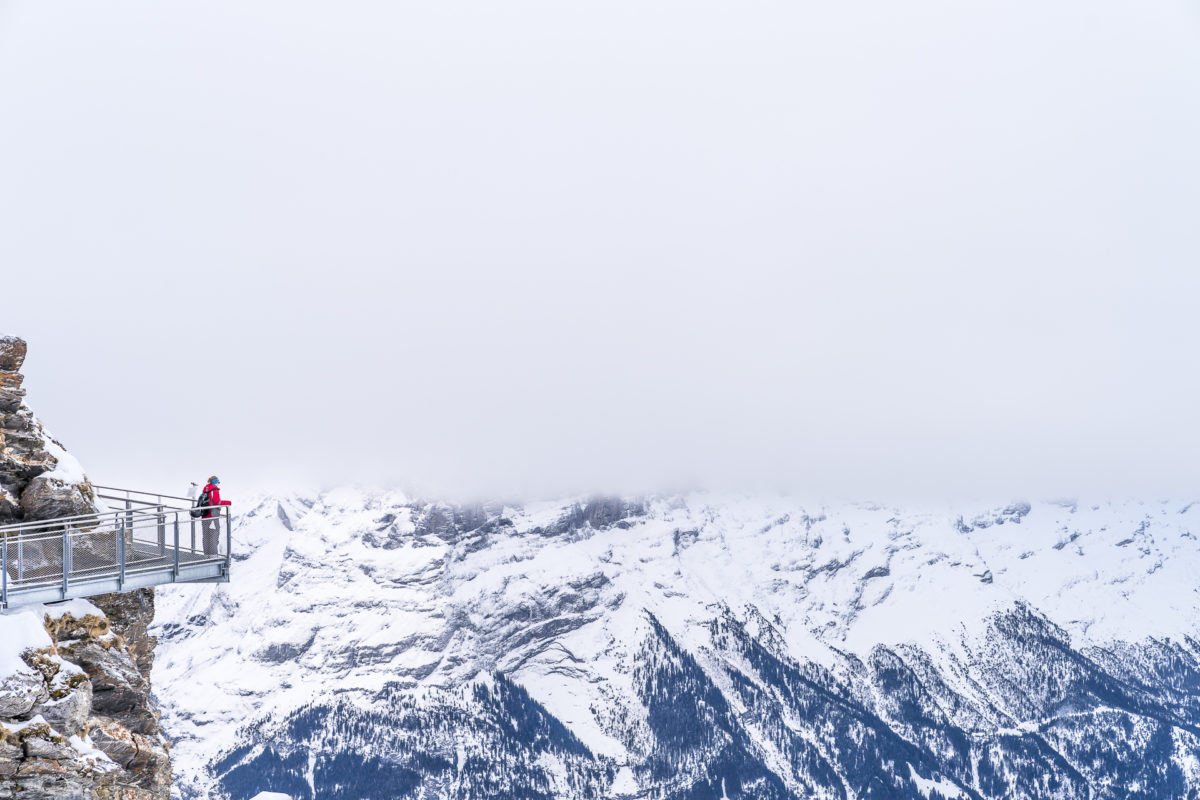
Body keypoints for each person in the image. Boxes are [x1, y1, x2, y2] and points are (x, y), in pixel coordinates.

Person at [201, 475, 231, 556]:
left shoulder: (205, 489)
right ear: (215, 482)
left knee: (206, 535)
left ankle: (206, 554)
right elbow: (217, 502)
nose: (219, 484)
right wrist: (228, 502)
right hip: (212, 516)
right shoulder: (214, 490)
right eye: (218, 482)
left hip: (204, 515)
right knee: (214, 535)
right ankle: (213, 555)